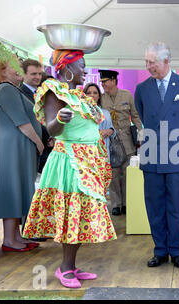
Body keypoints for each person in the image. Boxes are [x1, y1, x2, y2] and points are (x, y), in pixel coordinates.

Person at [22, 50, 116, 288]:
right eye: (81, 66)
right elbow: (52, 129)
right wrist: (61, 119)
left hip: (87, 162)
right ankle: (64, 268)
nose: (85, 71)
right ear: (66, 70)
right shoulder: (55, 91)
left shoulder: (79, 96)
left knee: (82, 215)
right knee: (72, 216)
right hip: (70, 162)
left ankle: (71, 265)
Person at [134, 42, 179, 268]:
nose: (148, 66)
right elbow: (144, 116)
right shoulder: (142, 89)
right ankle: (160, 250)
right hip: (152, 152)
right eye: (146, 62)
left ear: (166, 61)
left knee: (178, 205)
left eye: (152, 62)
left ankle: (177, 251)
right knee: (154, 205)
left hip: (178, 153)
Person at [0, 60, 43, 252]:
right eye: (15, 67)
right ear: (4, 71)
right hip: (13, 148)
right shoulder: (6, 89)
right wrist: (38, 142)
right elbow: (21, 122)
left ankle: (16, 236)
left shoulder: (14, 89)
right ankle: (8, 240)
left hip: (20, 147)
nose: (19, 70)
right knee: (12, 188)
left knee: (20, 188)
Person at [99, 69, 143, 216]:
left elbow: (136, 116)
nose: (103, 84)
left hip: (126, 141)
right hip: (109, 141)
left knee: (127, 173)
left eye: (105, 82)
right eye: (102, 82)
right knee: (113, 175)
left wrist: (141, 134)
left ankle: (127, 204)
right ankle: (116, 204)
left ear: (113, 81)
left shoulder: (127, 95)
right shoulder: (101, 98)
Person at [20, 60, 55, 176]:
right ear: (23, 74)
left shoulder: (40, 93)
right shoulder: (21, 93)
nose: (38, 77)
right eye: (33, 74)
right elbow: (28, 121)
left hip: (45, 148)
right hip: (31, 147)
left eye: (40, 74)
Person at [84, 83, 116, 163]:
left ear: (99, 96)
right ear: (84, 95)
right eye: (89, 93)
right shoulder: (81, 113)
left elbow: (113, 131)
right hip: (88, 153)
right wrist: (97, 133)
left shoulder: (105, 113)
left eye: (95, 93)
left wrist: (110, 131)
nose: (92, 95)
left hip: (104, 152)